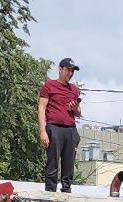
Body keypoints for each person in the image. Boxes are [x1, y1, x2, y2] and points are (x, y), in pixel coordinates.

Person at [39, 57, 81, 193]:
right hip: (54, 128)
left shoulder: (74, 90)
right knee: (53, 163)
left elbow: (79, 113)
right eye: (68, 70)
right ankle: (50, 192)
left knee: (69, 164)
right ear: (60, 69)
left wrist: (75, 108)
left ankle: (66, 191)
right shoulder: (49, 85)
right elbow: (41, 108)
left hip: (70, 129)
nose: (70, 73)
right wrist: (42, 131)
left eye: (72, 71)